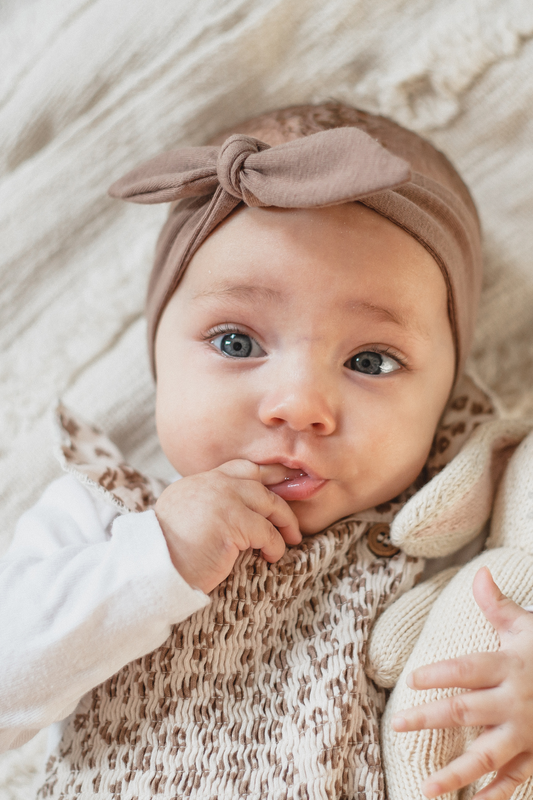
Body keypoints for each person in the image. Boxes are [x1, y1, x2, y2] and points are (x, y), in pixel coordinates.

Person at [1, 102, 532, 800]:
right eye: (236, 342)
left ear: (447, 397)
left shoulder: (446, 544)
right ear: (158, 355)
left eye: (370, 360)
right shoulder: (105, 515)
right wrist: (154, 558)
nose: (298, 405)